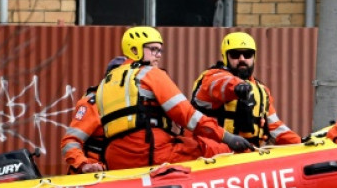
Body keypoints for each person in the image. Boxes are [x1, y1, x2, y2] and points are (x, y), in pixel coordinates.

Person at [95, 26, 252, 170]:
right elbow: (187, 115)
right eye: (154, 50)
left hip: (115, 157)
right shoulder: (150, 73)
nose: (158, 56)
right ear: (135, 49)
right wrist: (228, 137)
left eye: (160, 51)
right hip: (149, 151)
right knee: (214, 148)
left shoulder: (104, 84)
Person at [190, 31, 302, 146]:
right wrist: (237, 87)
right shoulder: (212, 77)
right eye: (235, 55)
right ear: (225, 57)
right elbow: (222, 83)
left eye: (247, 54)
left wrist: (300, 143)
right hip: (211, 153)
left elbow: (275, 127)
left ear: (254, 57)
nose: (242, 59)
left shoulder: (261, 90)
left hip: (248, 154)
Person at [61, 56, 127, 174]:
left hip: (119, 173)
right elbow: (70, 141)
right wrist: (83, 164)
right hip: (92, 175)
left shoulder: (132, 104)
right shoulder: (91, 104)